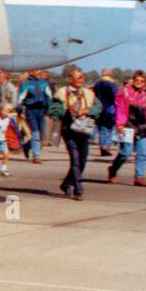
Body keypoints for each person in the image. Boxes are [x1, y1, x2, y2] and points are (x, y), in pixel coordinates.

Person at [55, 67, 96, 200]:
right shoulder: (61, 93)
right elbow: (54, 111)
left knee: (82, 160)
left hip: (84, 130)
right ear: (70, 79)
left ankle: (66, 184)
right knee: (75, 159)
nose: (81, 80)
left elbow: (98, 107)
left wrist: (87, 111)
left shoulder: (88, 93)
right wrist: (66, 110)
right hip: (69, 130)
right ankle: (78, 189)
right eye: (78, 78)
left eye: (82, 77)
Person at [108, 70, 146, 187]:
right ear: (133, 80)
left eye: (141, 81)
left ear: (145, 83)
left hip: (142, 126)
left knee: (142, 153)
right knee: (126, 152)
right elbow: (120, 109)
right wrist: (119, 124)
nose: (139, 83)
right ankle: (113, 169)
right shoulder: (124, 92)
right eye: (136, 80)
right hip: (128, 125)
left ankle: (139, 177)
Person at [17, 70, 51, 164]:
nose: (39, 72)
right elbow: (20, 98)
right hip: (31, 110)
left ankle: (27, 146)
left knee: (41, 135)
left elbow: (48, 96)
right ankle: (36, 156)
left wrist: (49, 108)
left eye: (40, 70)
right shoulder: (26, 84)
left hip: (41, 110)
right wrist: (19, 110)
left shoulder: (43, 83)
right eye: (36, 70)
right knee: (35, 133)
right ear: (31, 72)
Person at [92, 68, 118, 157]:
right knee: (109, 128)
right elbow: (115, 96)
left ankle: (102, 145)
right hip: (109, 109)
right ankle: (106, 146)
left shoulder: (97, 84)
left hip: (99, 108)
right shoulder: (111, 84)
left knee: (101, 128)